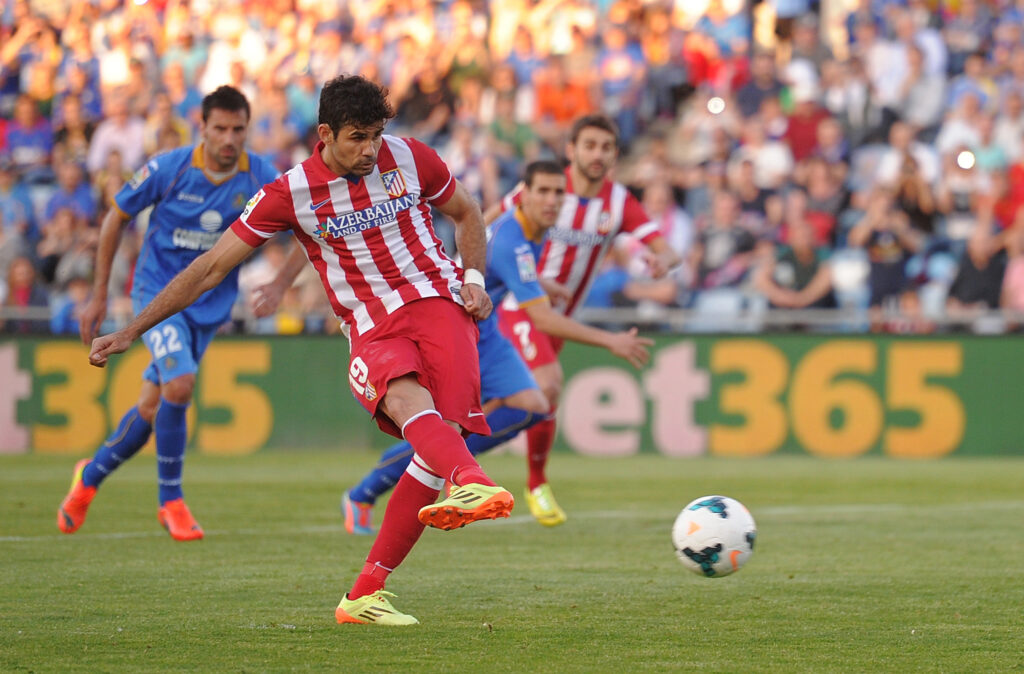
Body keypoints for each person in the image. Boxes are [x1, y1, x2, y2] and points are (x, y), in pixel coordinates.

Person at [87, 75, 514, 626]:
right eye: (357, 137)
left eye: (376, 135)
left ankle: (363, 595)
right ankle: (474, 481)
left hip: (440, 305)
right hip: (371, 324)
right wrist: (131, 329)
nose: (370, 149)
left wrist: (474, 278)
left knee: (439, 447)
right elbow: (211, 267)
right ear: (325, 134)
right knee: (407, 402)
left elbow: (468, 211)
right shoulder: (291, 192)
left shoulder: (411, 156)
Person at [291, 161, 650, 533]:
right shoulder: (513, 238)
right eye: (542, 191)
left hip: (486, 327)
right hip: (456, 324)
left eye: (559, 192)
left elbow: (491, 259)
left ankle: (460, 473)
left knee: (531, 405)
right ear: (523, 195)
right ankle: (367, 492)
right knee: (450, 426)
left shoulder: (526, 232)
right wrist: (612, 340)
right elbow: (542, 318)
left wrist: (538, 282)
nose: (552, 200)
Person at [57, 86, 279, 541]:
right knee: (180, 383)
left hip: (208, 306)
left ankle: (89, 477)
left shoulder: (260, 174)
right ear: (202, 127)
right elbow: (115, 217)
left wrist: (282, 281)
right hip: (155, 294)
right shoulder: (169, 167)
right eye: (220, 128)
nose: (229, 138)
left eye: (238, 129)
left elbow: (305, 222)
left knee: (151, 405)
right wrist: (100, 295)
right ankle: (171, 501)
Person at [483, 114, 681, 524]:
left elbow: (667, 249)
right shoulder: (546, 189)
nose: (597, 154)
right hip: (520, 305)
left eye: (606, 147)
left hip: (562, 316)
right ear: (571, 150)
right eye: (589, 145)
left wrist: (663, 262)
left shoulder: (619, 203)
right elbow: (486, 221)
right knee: (549, 383)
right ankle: (534, 484)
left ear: (615, 155)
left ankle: (441, 465)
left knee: (512, 401)